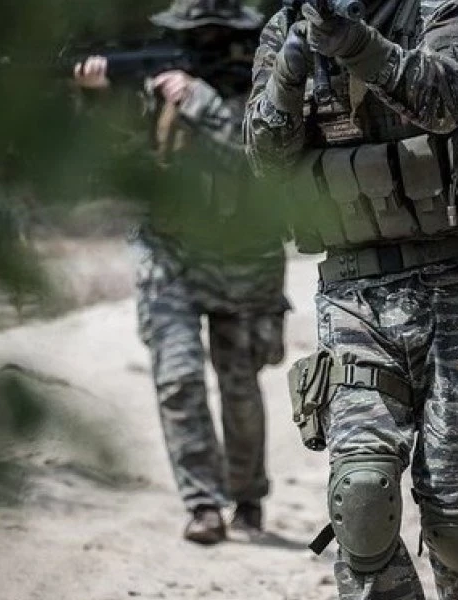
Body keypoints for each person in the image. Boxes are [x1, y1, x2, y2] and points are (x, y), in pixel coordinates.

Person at [244, 0, 458, 598]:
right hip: (354, 299)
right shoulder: (287, 28)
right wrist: (291, 69)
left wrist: (355, 43)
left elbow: (445, 102)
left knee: (457, 519)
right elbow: (264, 159)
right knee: (361, 499)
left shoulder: (446, 11)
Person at [73, 0, 288, 545]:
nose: (204, 46)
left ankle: (247, 498)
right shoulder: (158, 86)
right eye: (195, 36)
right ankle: (202, 504)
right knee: (178, 378)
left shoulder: (272, 84)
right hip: (168, 251)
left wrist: (201, 100)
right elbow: (113, 156)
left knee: (239, 385)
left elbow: (260, 159)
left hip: (245, 256)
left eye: (216, 36)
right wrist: (97, 97)